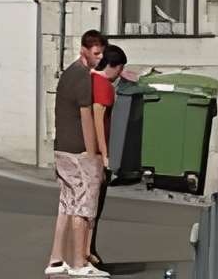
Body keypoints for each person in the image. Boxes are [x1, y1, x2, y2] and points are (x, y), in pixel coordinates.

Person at [46, 30, 107, 279]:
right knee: (83, 206)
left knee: (67, 205)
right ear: (83, 50)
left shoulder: (69, 73)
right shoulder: (82, 77)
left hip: (62, 147)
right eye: (96, 53)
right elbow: (86, 118)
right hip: (77, 150)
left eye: (101, 52)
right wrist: (94, 156)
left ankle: (57, 259)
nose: (100, 57)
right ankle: (78, 262)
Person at [87, 43, 135, 271]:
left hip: (82, 152)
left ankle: (88, 252)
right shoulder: (105, 87)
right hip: (96, 154)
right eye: (120, 69)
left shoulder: (90, 79)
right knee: (94, 207)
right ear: (114, 66)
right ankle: (88, 253)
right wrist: (105, 155)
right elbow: (98, 118)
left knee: (85, 207)